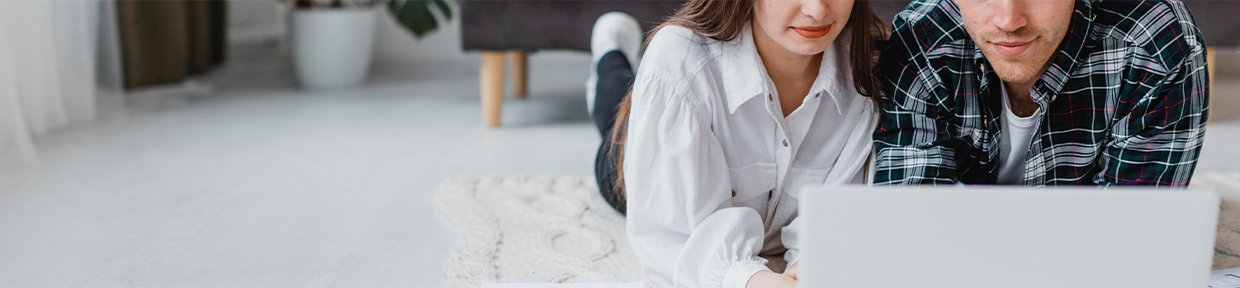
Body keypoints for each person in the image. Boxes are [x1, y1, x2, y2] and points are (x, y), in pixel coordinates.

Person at [585, 0, 886, 286]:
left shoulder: (868, 73)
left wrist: (809, 269)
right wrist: (749, 279)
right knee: (614, 111)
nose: (817, 10)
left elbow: (843, 213)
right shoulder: (681, 60)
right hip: (638, 156)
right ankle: (609, 52)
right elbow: (667, 237)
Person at [873, 0, 1209, 186]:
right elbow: (915, 218)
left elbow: (1136, 229)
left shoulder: (1158, 44)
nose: (1009, 20)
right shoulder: (920, 39)